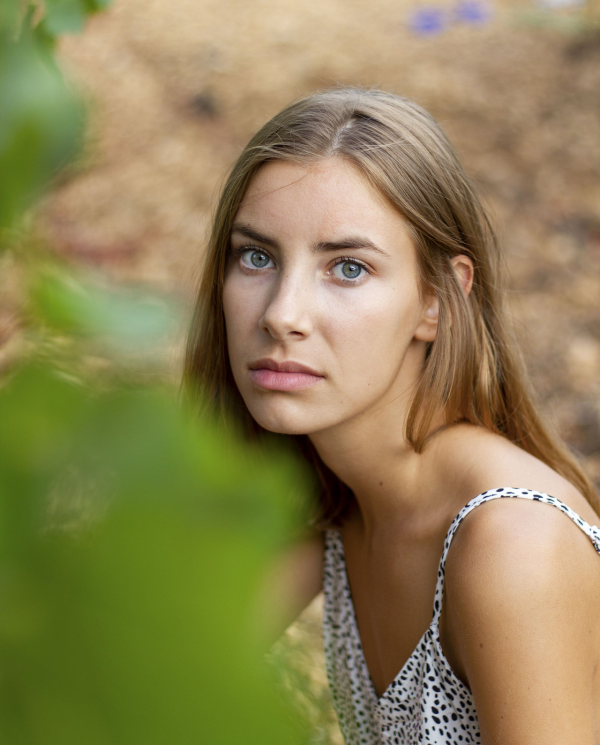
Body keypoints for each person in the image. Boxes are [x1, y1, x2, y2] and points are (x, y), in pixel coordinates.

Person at [185, 88, 600, 744]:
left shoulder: (511, 542)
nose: (281, 314)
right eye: (256, 256)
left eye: (346, 267)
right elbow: (155, 677)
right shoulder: (336, 502)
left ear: (437, 300)